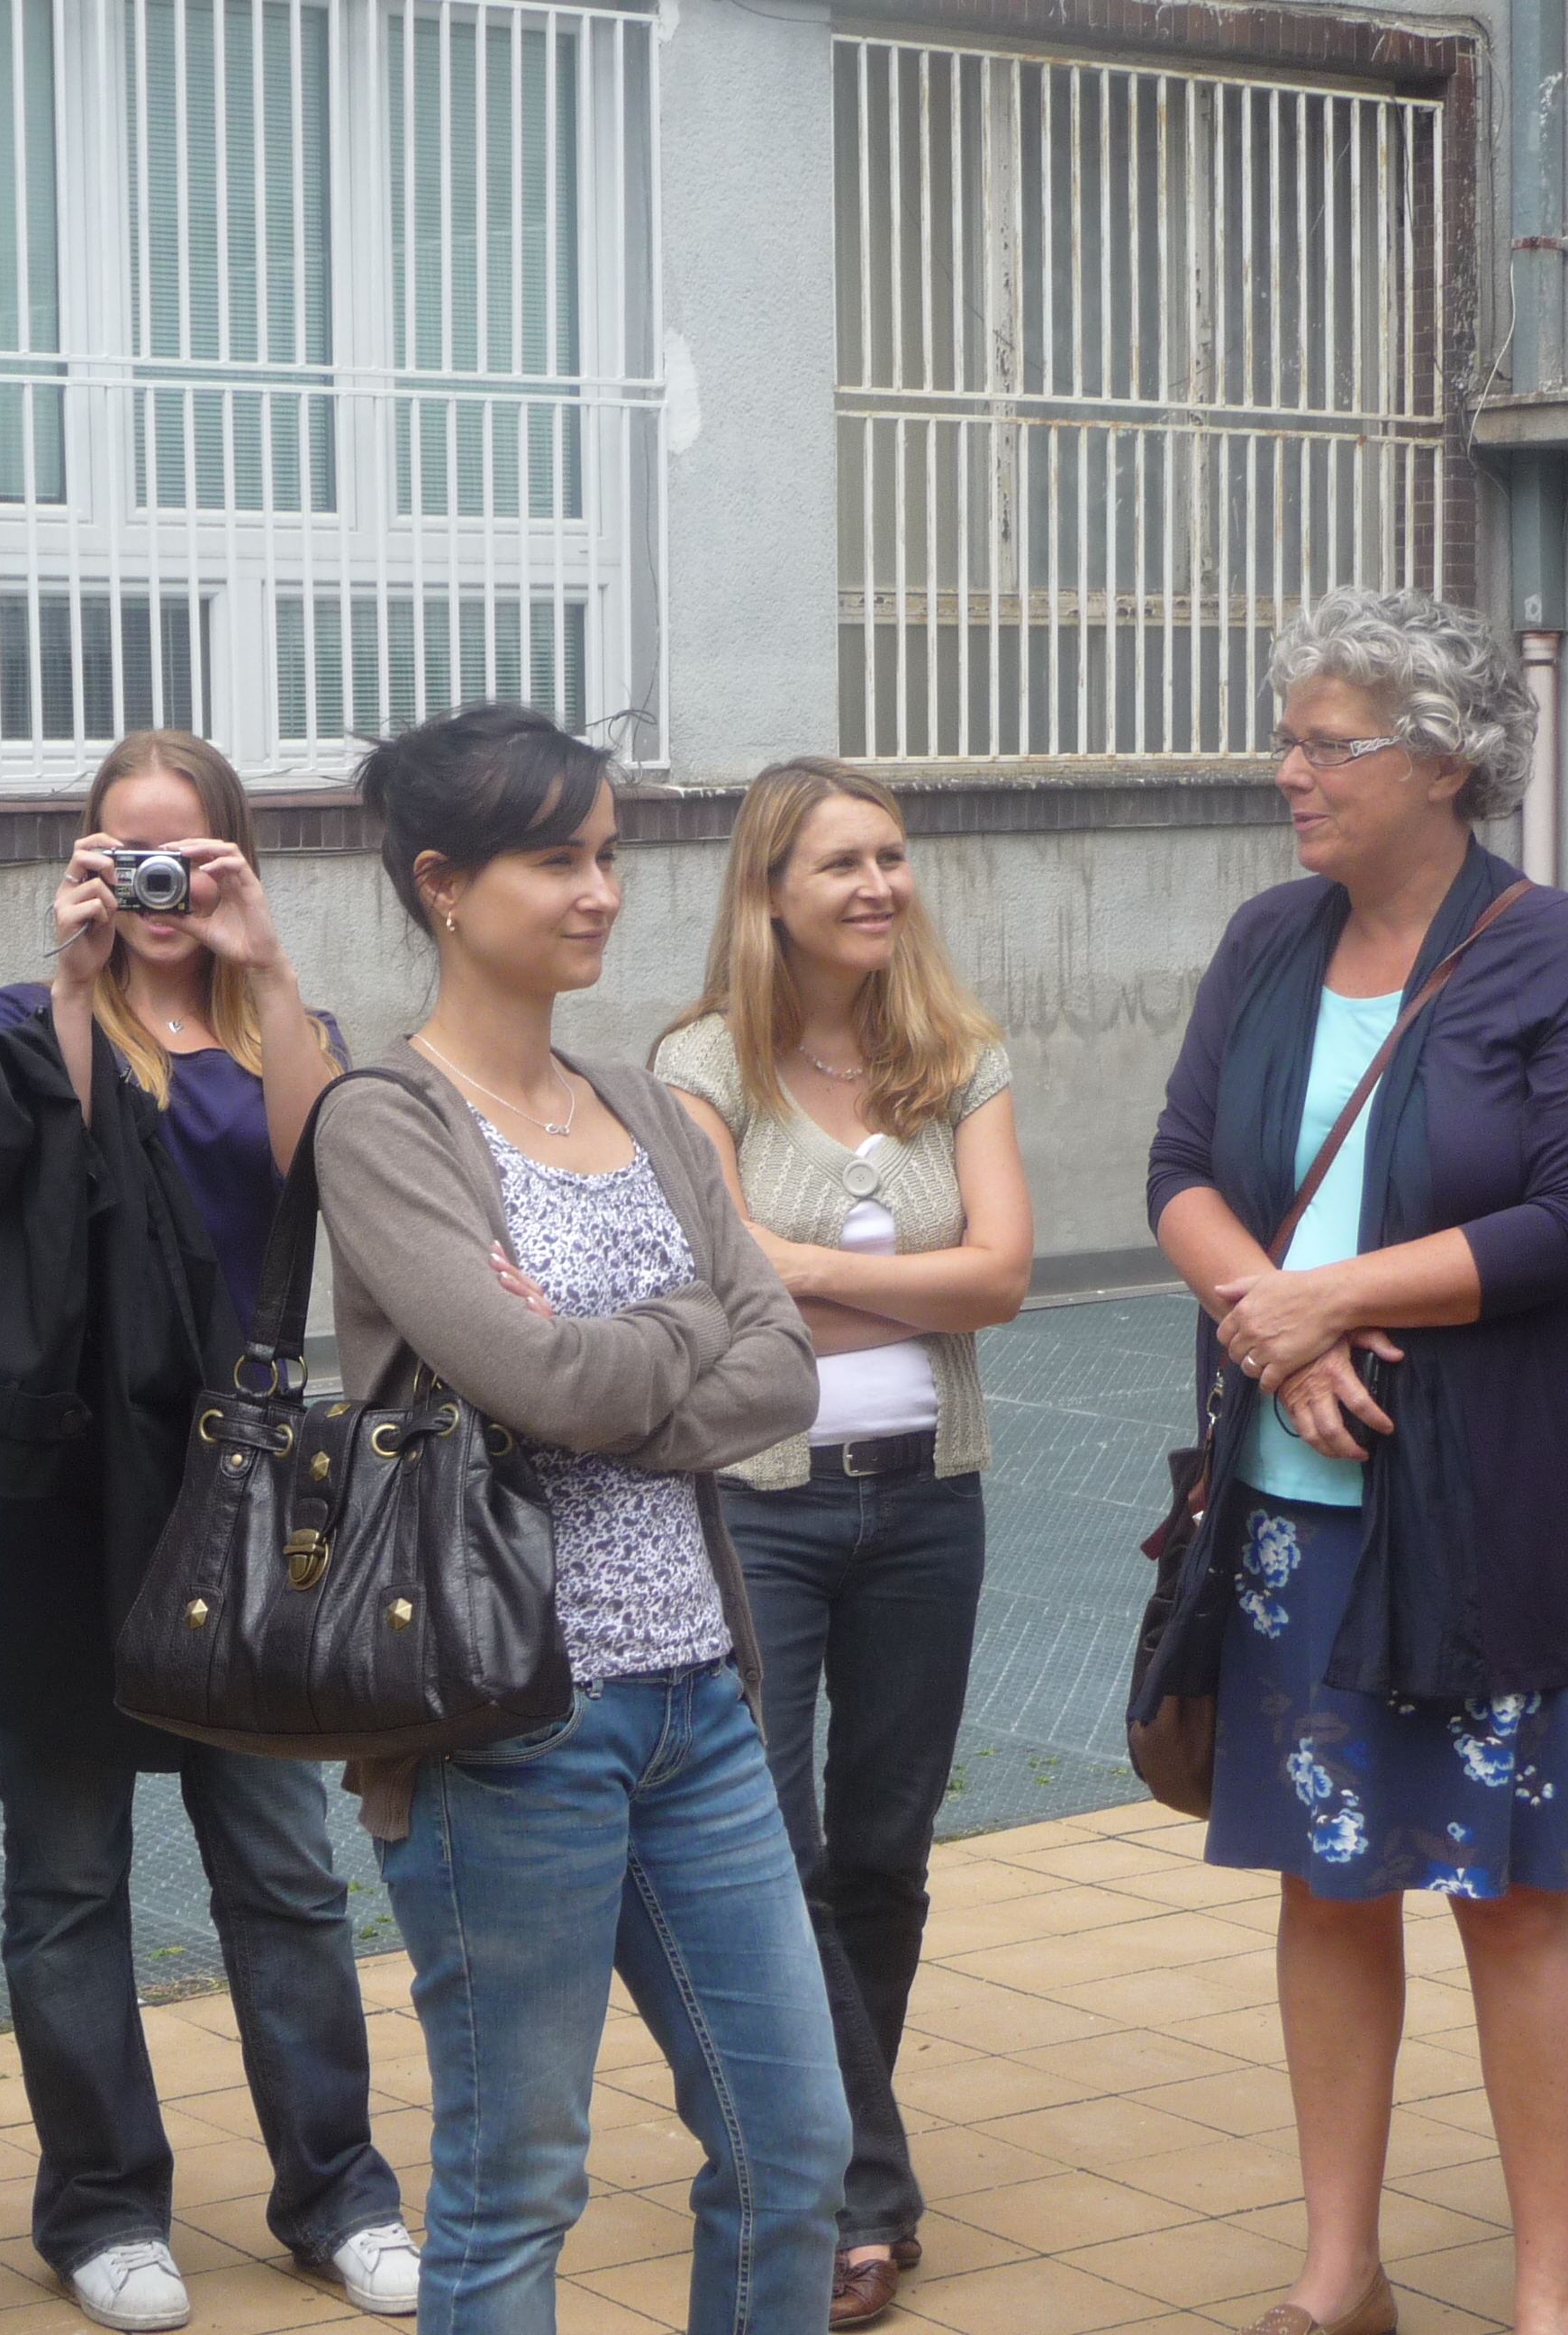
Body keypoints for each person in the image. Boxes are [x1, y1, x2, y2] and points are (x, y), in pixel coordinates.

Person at [1144, 589, 1568, 2335]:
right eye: (1286, 740)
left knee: (1512, 1896)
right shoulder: (1267, 939)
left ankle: (1549, 2297)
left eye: (1327, 745)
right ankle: (1338, 2270)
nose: (1290, 773)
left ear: (1444, 761)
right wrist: (1274, 1329)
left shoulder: (1563, 949)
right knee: (1326, 1881)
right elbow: (1179, 1171)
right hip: (1292, 1515)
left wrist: (1330, 1301)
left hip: (1493, 1509)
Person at [310, 701, 845, 2331]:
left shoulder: (648, 1104)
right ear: (443, 883)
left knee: (795, 2150)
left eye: (608, 854)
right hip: (508, 1723)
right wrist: (676, 1332)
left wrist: (609, 1370)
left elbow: (785, 1366)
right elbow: (534, 1376)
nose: (602, 891)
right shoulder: (384, 1121)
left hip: (700, 1700)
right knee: (516, 2182)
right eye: (557, 860)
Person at [0, 731, 417, 2331]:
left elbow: (329, 1184)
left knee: (282, 1867)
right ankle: (102, 2209)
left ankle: (338, 2193)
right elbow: (43, 1175)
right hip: (66, 1494)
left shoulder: (288, 1028)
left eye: (186, 855)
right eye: (124, 854)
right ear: (84, 860)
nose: (155, 887)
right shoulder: (30, 1021)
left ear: (234, 859)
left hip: (242, 1487)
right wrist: (76, 981)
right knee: (70, 1874)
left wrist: (263, 963)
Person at [651, 759, 1031, 2327]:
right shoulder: (699, 1064)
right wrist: (902, 1284)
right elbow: (721, 1296)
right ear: (771, 891)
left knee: (884, 1851)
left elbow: (1003, 1279)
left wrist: (805, 1268)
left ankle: (820, 2158)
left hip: (929, 1497)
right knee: (774, 1853)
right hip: (766, 1502)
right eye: (842, 864)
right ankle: (851, 2190)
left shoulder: (959, 1055)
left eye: (892, 855)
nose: (879, 885)